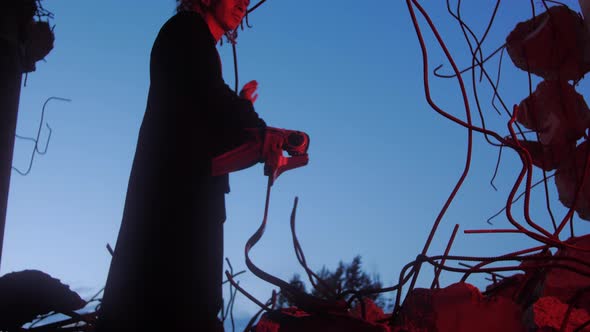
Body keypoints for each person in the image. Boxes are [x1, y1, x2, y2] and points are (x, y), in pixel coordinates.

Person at [95, 0, 265, 330]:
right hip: (175, 212)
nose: (244, 2)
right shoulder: (185, 33)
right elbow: (211, 99)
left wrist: (243, 113)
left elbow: (205, 107)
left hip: (183, 208)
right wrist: (256, 127)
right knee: (177, 305)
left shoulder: (196, 44)